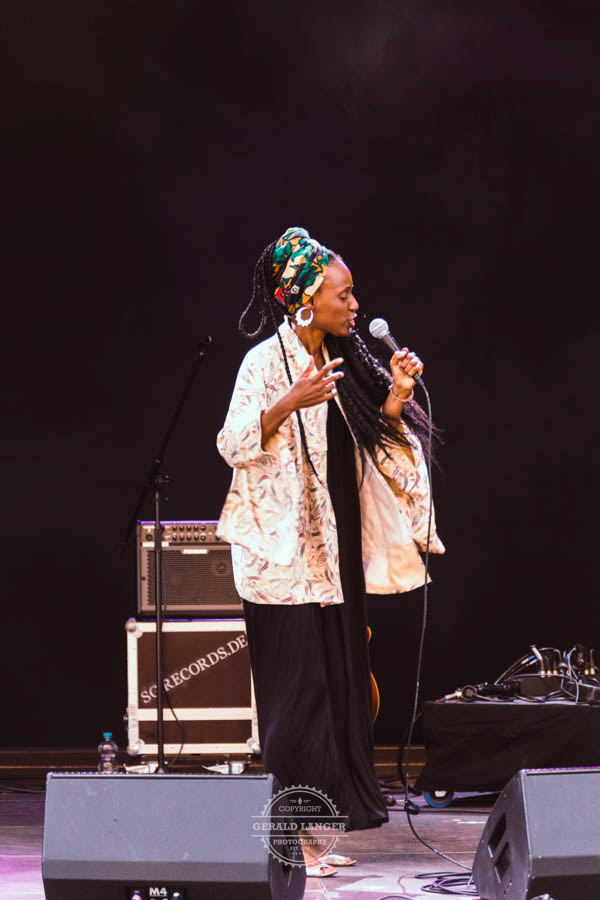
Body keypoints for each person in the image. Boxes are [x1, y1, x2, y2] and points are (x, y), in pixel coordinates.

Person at [216, 226, 444, 877]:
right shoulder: (265, 365)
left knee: (339, 694)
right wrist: (287, 403)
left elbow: (376, 447)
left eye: (352, 293)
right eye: (343, 294)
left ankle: (311, 834)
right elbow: (232, 444)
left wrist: (396, 395)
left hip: (333, 564)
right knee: (295, 706)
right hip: (281, 565)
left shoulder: (343, 362)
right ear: (304, 300)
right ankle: (290, 841)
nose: (354, 304)